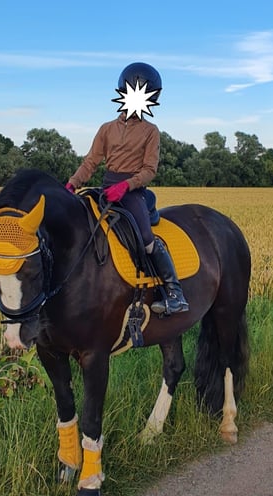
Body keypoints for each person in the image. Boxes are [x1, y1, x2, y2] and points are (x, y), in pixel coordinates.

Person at [65, 62, 189, 315]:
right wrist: (72, 184)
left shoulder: (150, 131)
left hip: (131, 191)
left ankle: (175, 293)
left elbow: (149, 170)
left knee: (145, 239)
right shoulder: (106, 129)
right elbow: (91, 161)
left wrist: (126, 185)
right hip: (107, 187)